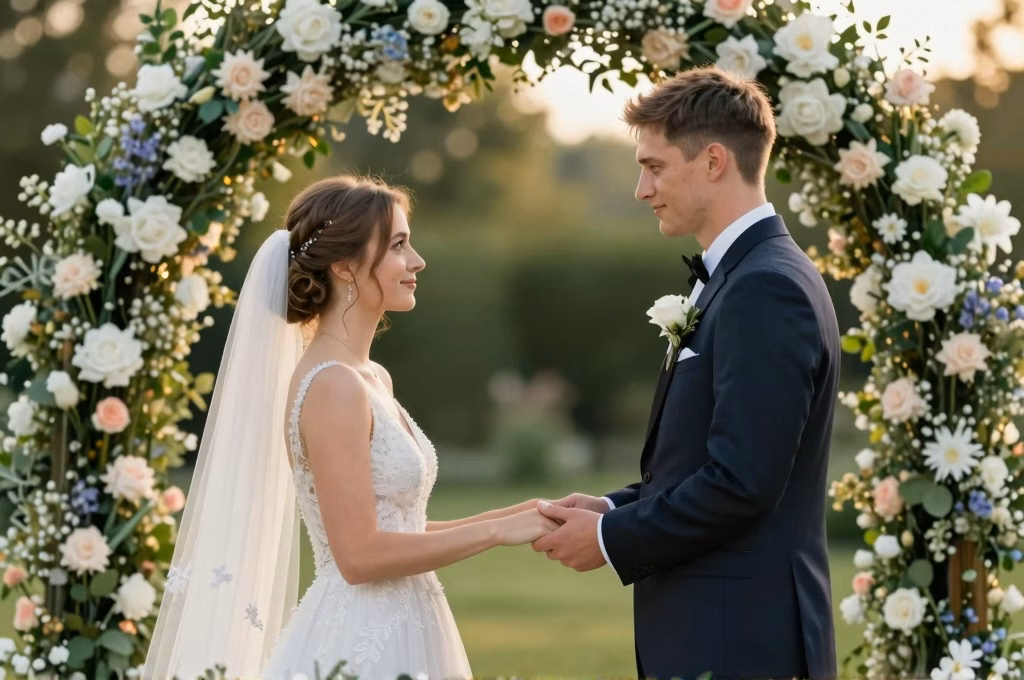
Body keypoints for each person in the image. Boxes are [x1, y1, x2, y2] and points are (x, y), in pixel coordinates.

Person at [145, 175, 557, 680]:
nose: (417, 262)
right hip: (361, 637)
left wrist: (530, 512)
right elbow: (359, 555)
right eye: (399, 246)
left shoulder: (370, 377)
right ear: (343, 266)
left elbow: (394, 529)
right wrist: (495, 532)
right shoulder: (333, 386)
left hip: (410, 621)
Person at [533, 66, 842, 680]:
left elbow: (742, 483)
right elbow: (707, 459)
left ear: (714, 161)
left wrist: (608, 541)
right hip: (717, 633)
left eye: (654, 166)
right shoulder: (738, 277)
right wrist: (611, 507)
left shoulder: (767, 288)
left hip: (743, 643)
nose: (641, 188)